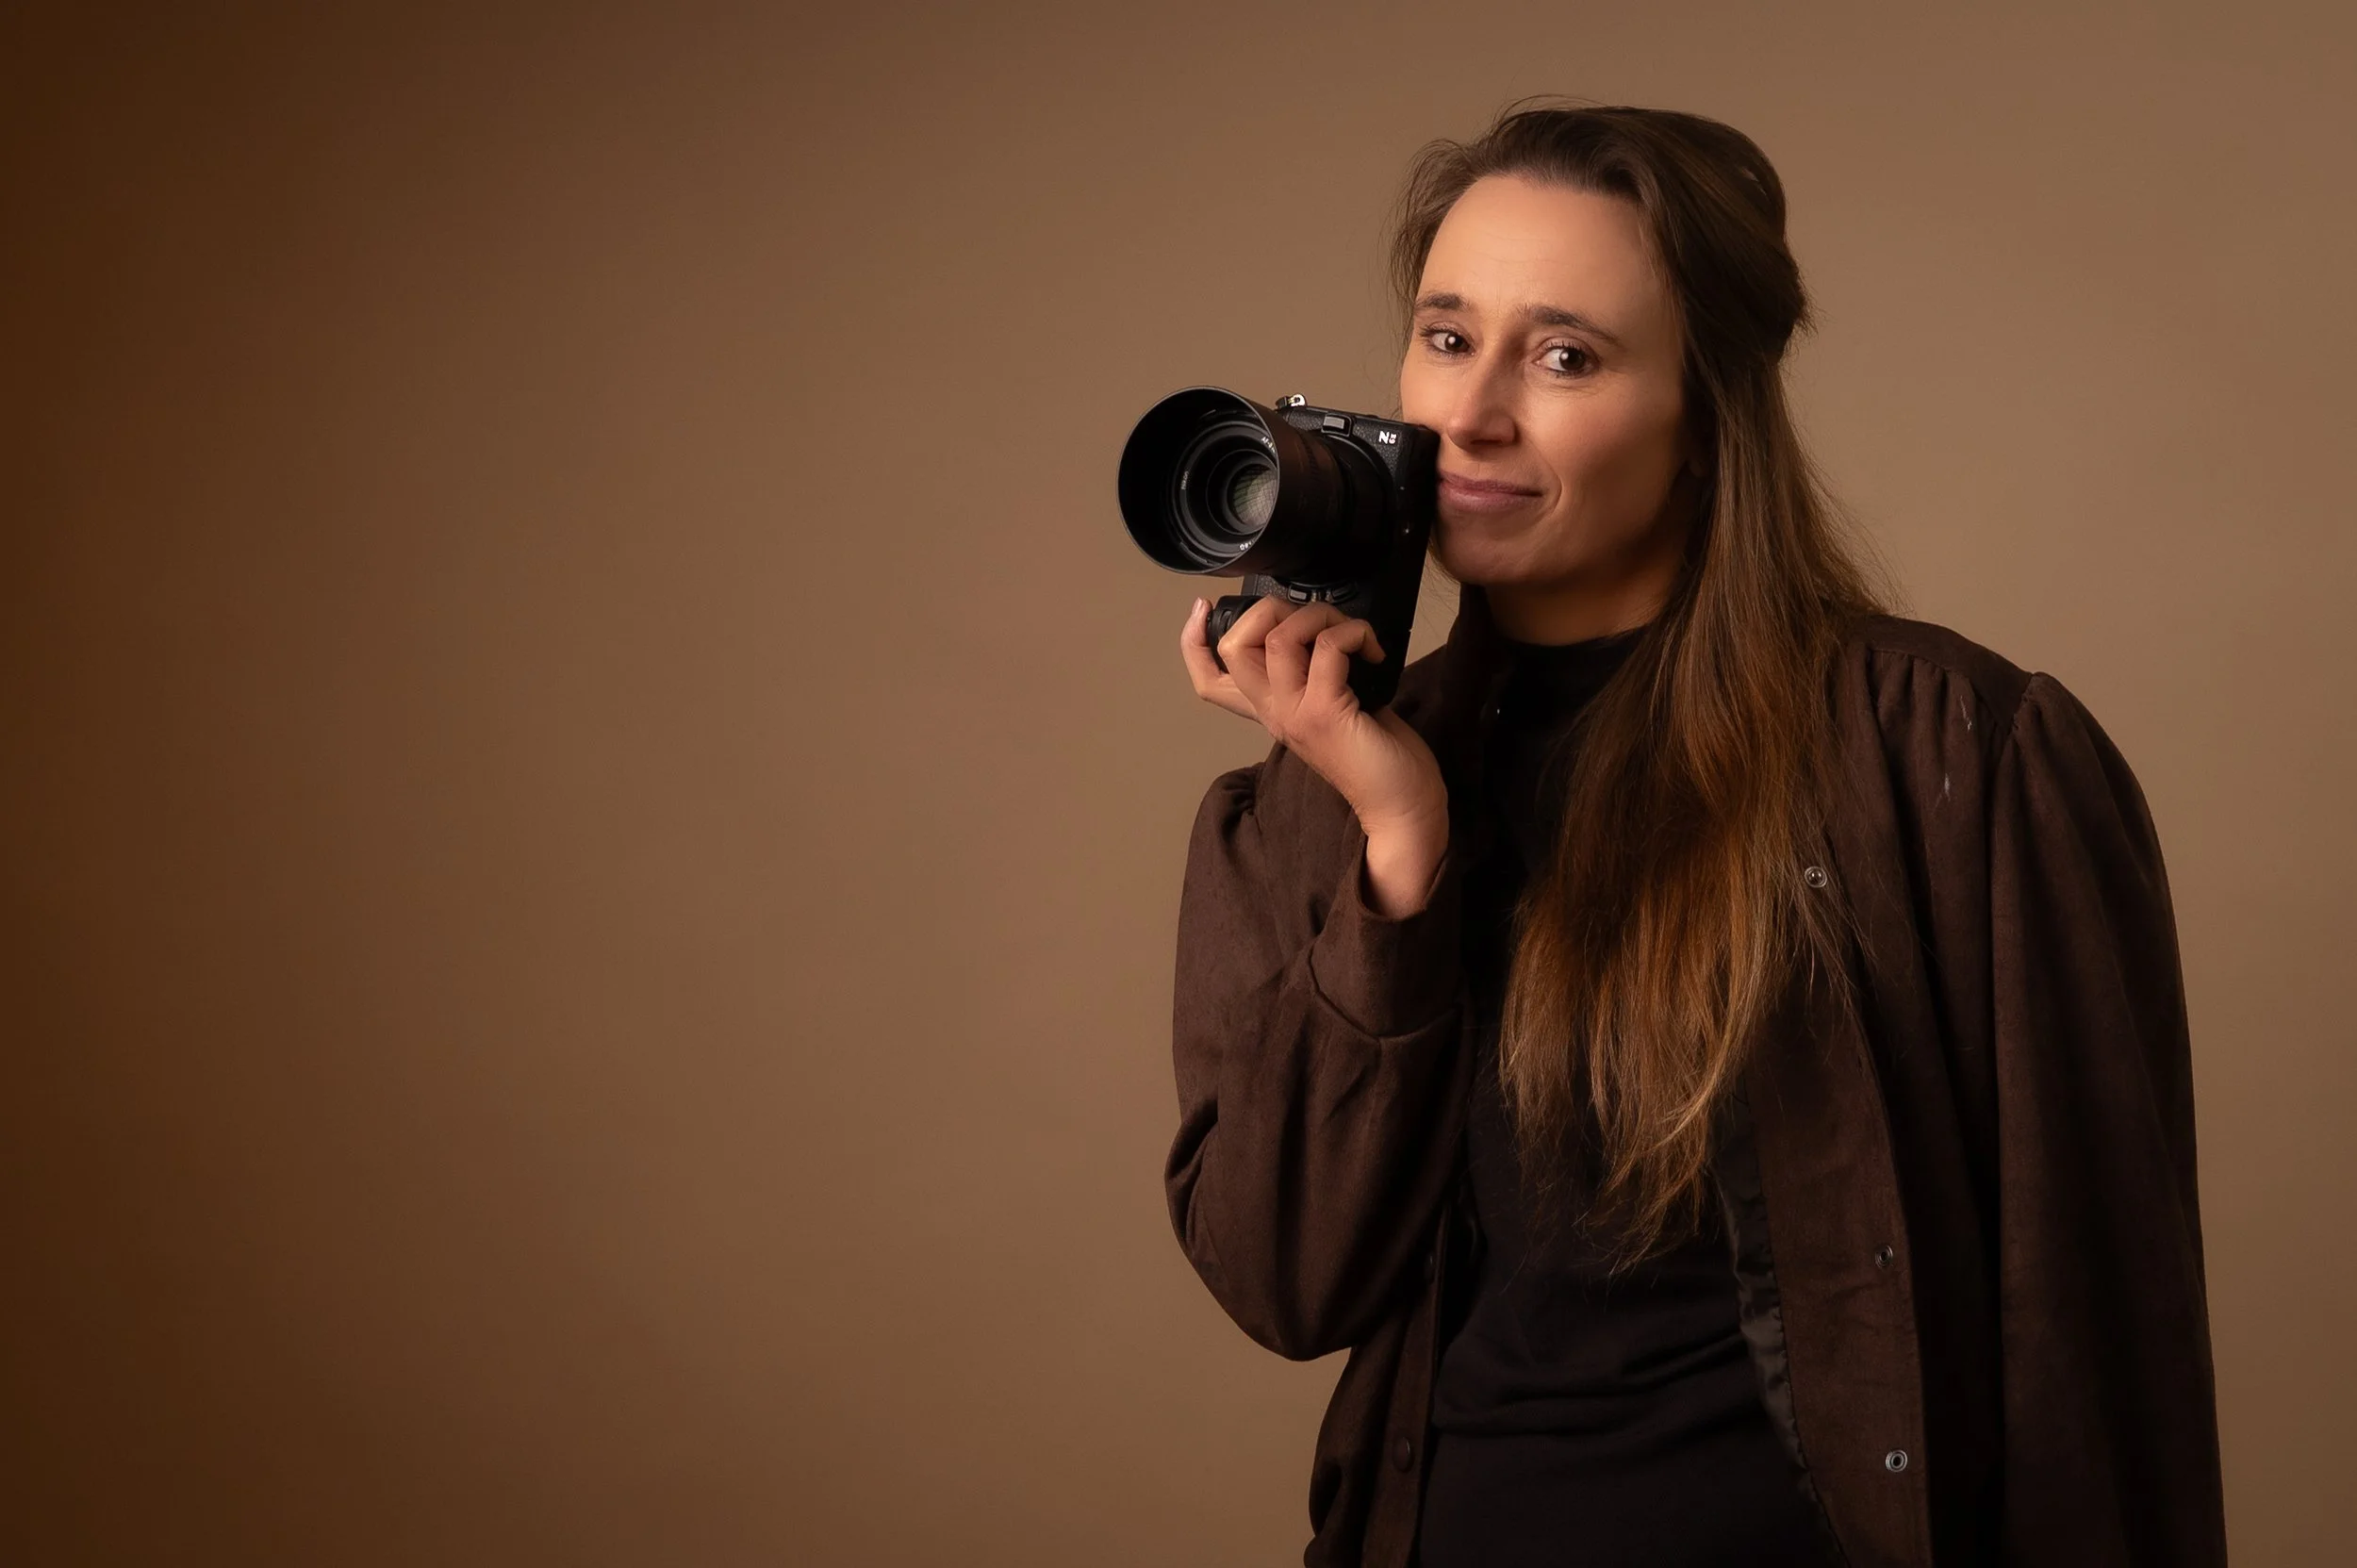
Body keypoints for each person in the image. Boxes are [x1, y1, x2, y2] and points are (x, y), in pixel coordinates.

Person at [1162, 104, 2225, 1568]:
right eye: (1448, 335)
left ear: (1708, 410)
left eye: (1565, 355)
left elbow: (2097, 1353)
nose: (1471, 417)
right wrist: (1396, 844)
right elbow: (1286, 1280)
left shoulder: (1956, 759)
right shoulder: (1314, 797)